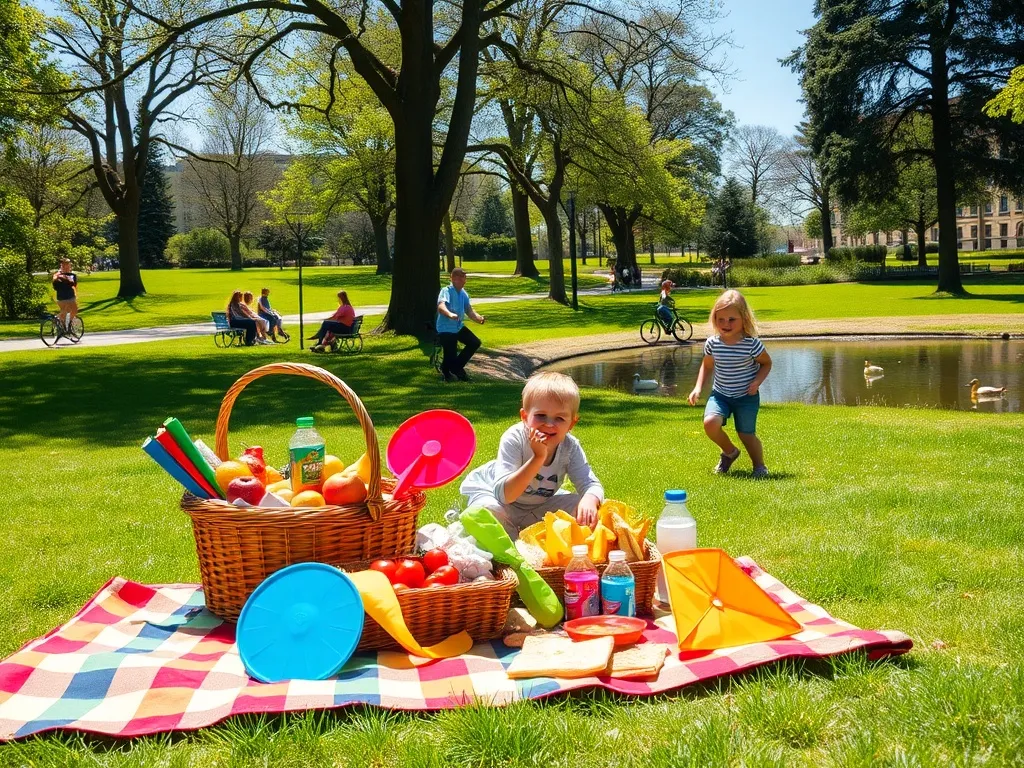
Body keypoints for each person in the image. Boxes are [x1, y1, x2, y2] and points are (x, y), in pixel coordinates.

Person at [460, 371, 604, 538]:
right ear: (524, 416)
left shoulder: (569, 447)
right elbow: (505, 495)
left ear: (571, 424)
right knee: (485, 512)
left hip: (538, 505)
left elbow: (590, 483)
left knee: (592, 509)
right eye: (541, 415)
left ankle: (524, 535)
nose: (549, 424)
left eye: (559, 418)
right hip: (496, 498)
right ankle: (510, 548)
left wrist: (589, 500)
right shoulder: (514, 438)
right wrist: (538, 457)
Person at [687, 289, 772, 479]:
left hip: (746, 398)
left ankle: (759, 466)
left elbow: (767, 364)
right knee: (710, 423)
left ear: (744, 319)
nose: (726, 324)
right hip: (721, 395)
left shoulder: (752, 344)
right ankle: (730, 452)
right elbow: (706, 366)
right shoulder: (712, 343)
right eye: (721, 319)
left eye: (732, 319)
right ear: (714, 319)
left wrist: (757, 382)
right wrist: (698, 387)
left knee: (746, 435)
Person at [436, 267, 485, 382]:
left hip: (458, 327)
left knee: (474, 342)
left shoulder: (463, 294)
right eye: (457, 277)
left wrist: (479, 318)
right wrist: (450, 314)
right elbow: (441, 306)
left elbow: (469, 310)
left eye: (462, 277)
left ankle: (456, 368)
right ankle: (447, 373)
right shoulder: (446, 291)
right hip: (445, 329)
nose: (460, 280)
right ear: (452, 278)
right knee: (450, 355)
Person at [51, 259, 78, 330]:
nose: (66, 266)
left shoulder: (71, 275)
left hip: (66, 296)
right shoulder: (58, 275)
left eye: (67, 264)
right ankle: (63, 323)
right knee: (69, 311)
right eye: (64, 264)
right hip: (64, 296)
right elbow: (55, 282)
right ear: (62, 265)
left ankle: (64, 327)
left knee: (68, 311)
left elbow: (74, 285)